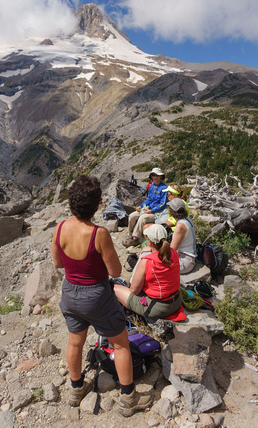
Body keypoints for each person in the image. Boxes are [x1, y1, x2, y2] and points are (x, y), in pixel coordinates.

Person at [51, 175, 151, 417]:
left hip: (70, 292)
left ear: (71, 204)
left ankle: (76, 389)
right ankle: (128, 398)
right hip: (97, 295)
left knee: (75, 341)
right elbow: (115, 271)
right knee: (120, 343)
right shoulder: (99, 234)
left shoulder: (60, 227)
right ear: (96, 205)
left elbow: (57, 263)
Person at [115, 224, 182, 318]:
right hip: (176, 301)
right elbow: (160, 255)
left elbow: (134, 290)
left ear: (149, 242)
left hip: (159, 307)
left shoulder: (147, 261)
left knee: (114, 288)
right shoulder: (173, 252)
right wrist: (151, 249)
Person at [123, 168, 168, 247]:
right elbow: (149, 199)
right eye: (153, 175)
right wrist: (140, 206)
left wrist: (151, 211)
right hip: (148, 208)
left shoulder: (164, 187)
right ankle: (130, 234)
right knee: (132, 215)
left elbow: (163, 204)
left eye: (157, 175)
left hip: (157, 212)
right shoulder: (152, 186)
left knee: (143, 218)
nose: (155, 177)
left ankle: (135, 238)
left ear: (161, 176)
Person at [168, 198, 197, 274]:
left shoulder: (180, 225)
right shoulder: (187, 219)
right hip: (188, 258)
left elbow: (172, 249)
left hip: (185, 261)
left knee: (154, 263)